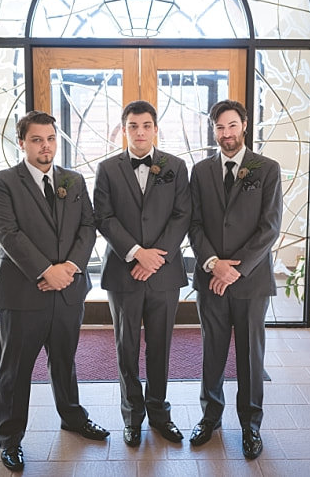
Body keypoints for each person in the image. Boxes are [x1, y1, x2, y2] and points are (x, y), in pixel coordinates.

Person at [0, 111, 107, 471]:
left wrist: (69, 268)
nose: (45, 146)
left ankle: (72, 416)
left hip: (68, 290)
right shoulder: (4, 181)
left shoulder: (73, 180)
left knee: (64, 360)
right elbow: (8, 233)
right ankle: (10, 438)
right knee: (16, 369)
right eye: (37, 139)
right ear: (22, 142)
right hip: (23, 293)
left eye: (51, 138)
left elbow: (88, 226)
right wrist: (45, 271)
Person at [186, 99, 282, 459]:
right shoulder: (201, 171)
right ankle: (210, 417)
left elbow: (269, 227)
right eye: (219, 128)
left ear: (244, 125)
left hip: (251, 281)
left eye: (231, 126)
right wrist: (214, 263)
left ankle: (250, 425)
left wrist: (236, 269)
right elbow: (194, 224)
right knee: (212, 350)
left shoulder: (267, 169)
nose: (225, 134)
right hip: (211, 278)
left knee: (249, 355)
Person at [93, 100, 190, 447]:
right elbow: (103, 217)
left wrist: (155, 258)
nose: (140, 132)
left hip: (164, 273)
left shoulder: (176, 167)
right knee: (126, 345)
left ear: (155, 129)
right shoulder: (106, 169)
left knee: (162, 346)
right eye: (133, 126)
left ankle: (160, 414)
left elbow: (182, 215)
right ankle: (132, 417)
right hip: (123, 272)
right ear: (124, 130)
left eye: (146, 125)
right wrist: (136, 253)